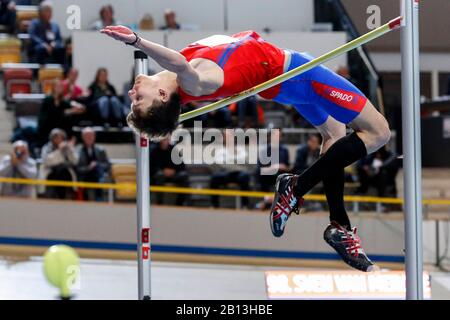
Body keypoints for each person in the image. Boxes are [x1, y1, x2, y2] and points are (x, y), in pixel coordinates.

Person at [101, 27, 392, 272]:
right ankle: (296, 187)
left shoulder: (176, 81)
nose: (131, 92)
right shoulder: (194, 81)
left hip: (284, 81)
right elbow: (180, 63)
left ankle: (338, 225)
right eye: (137, 99)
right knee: (379, 133)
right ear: (162, 96)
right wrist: (136, 41)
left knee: (334, 135)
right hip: (298, 73)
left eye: (132, 98)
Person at [37, 80, 85, 146]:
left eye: (60, 87)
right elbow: (53, 114)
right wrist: (68, 111)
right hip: (48, 126)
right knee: (65, 116)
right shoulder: (48, 99)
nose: (59, 88)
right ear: (53, 87)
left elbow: (80, 108)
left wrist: (76, 105)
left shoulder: (63, 100)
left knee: (69, 120)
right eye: (57, 86)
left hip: (59, 125)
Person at [149, 136, 188, 206]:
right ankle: (160, 202)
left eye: (167, 139)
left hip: (174, 175)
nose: (165, 141)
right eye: (164, 139)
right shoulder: (155, 151)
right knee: (159, 175)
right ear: (160, 140)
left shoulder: (174, 150)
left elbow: (182, 165)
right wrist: (163, 171)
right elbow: (151, 166)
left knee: (183, 176)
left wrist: (174, 171)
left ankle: (180, 203)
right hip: (160, 176)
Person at [40, 128, 78, 199]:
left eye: (60, 137)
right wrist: (59, 150)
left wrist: (70, 149)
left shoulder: (67, 147)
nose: (58, 139)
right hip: (51, 176)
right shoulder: (46, 148)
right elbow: (47, 161)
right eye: (56, 137)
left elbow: (75, 161)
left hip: (66, 176)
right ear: (51, 138)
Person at [76, 127, 111, 201]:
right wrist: (89, 167)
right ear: (82, 137)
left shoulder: (101, 150)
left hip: (98, 176)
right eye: (87, 136)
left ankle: (100, 200)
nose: (89, 138)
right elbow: (77, 168)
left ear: (94, 136)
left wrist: (97, 165)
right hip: (84, 177)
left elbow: (107, 165)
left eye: (91, 135)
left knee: (98, 173)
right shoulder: (78, 151)